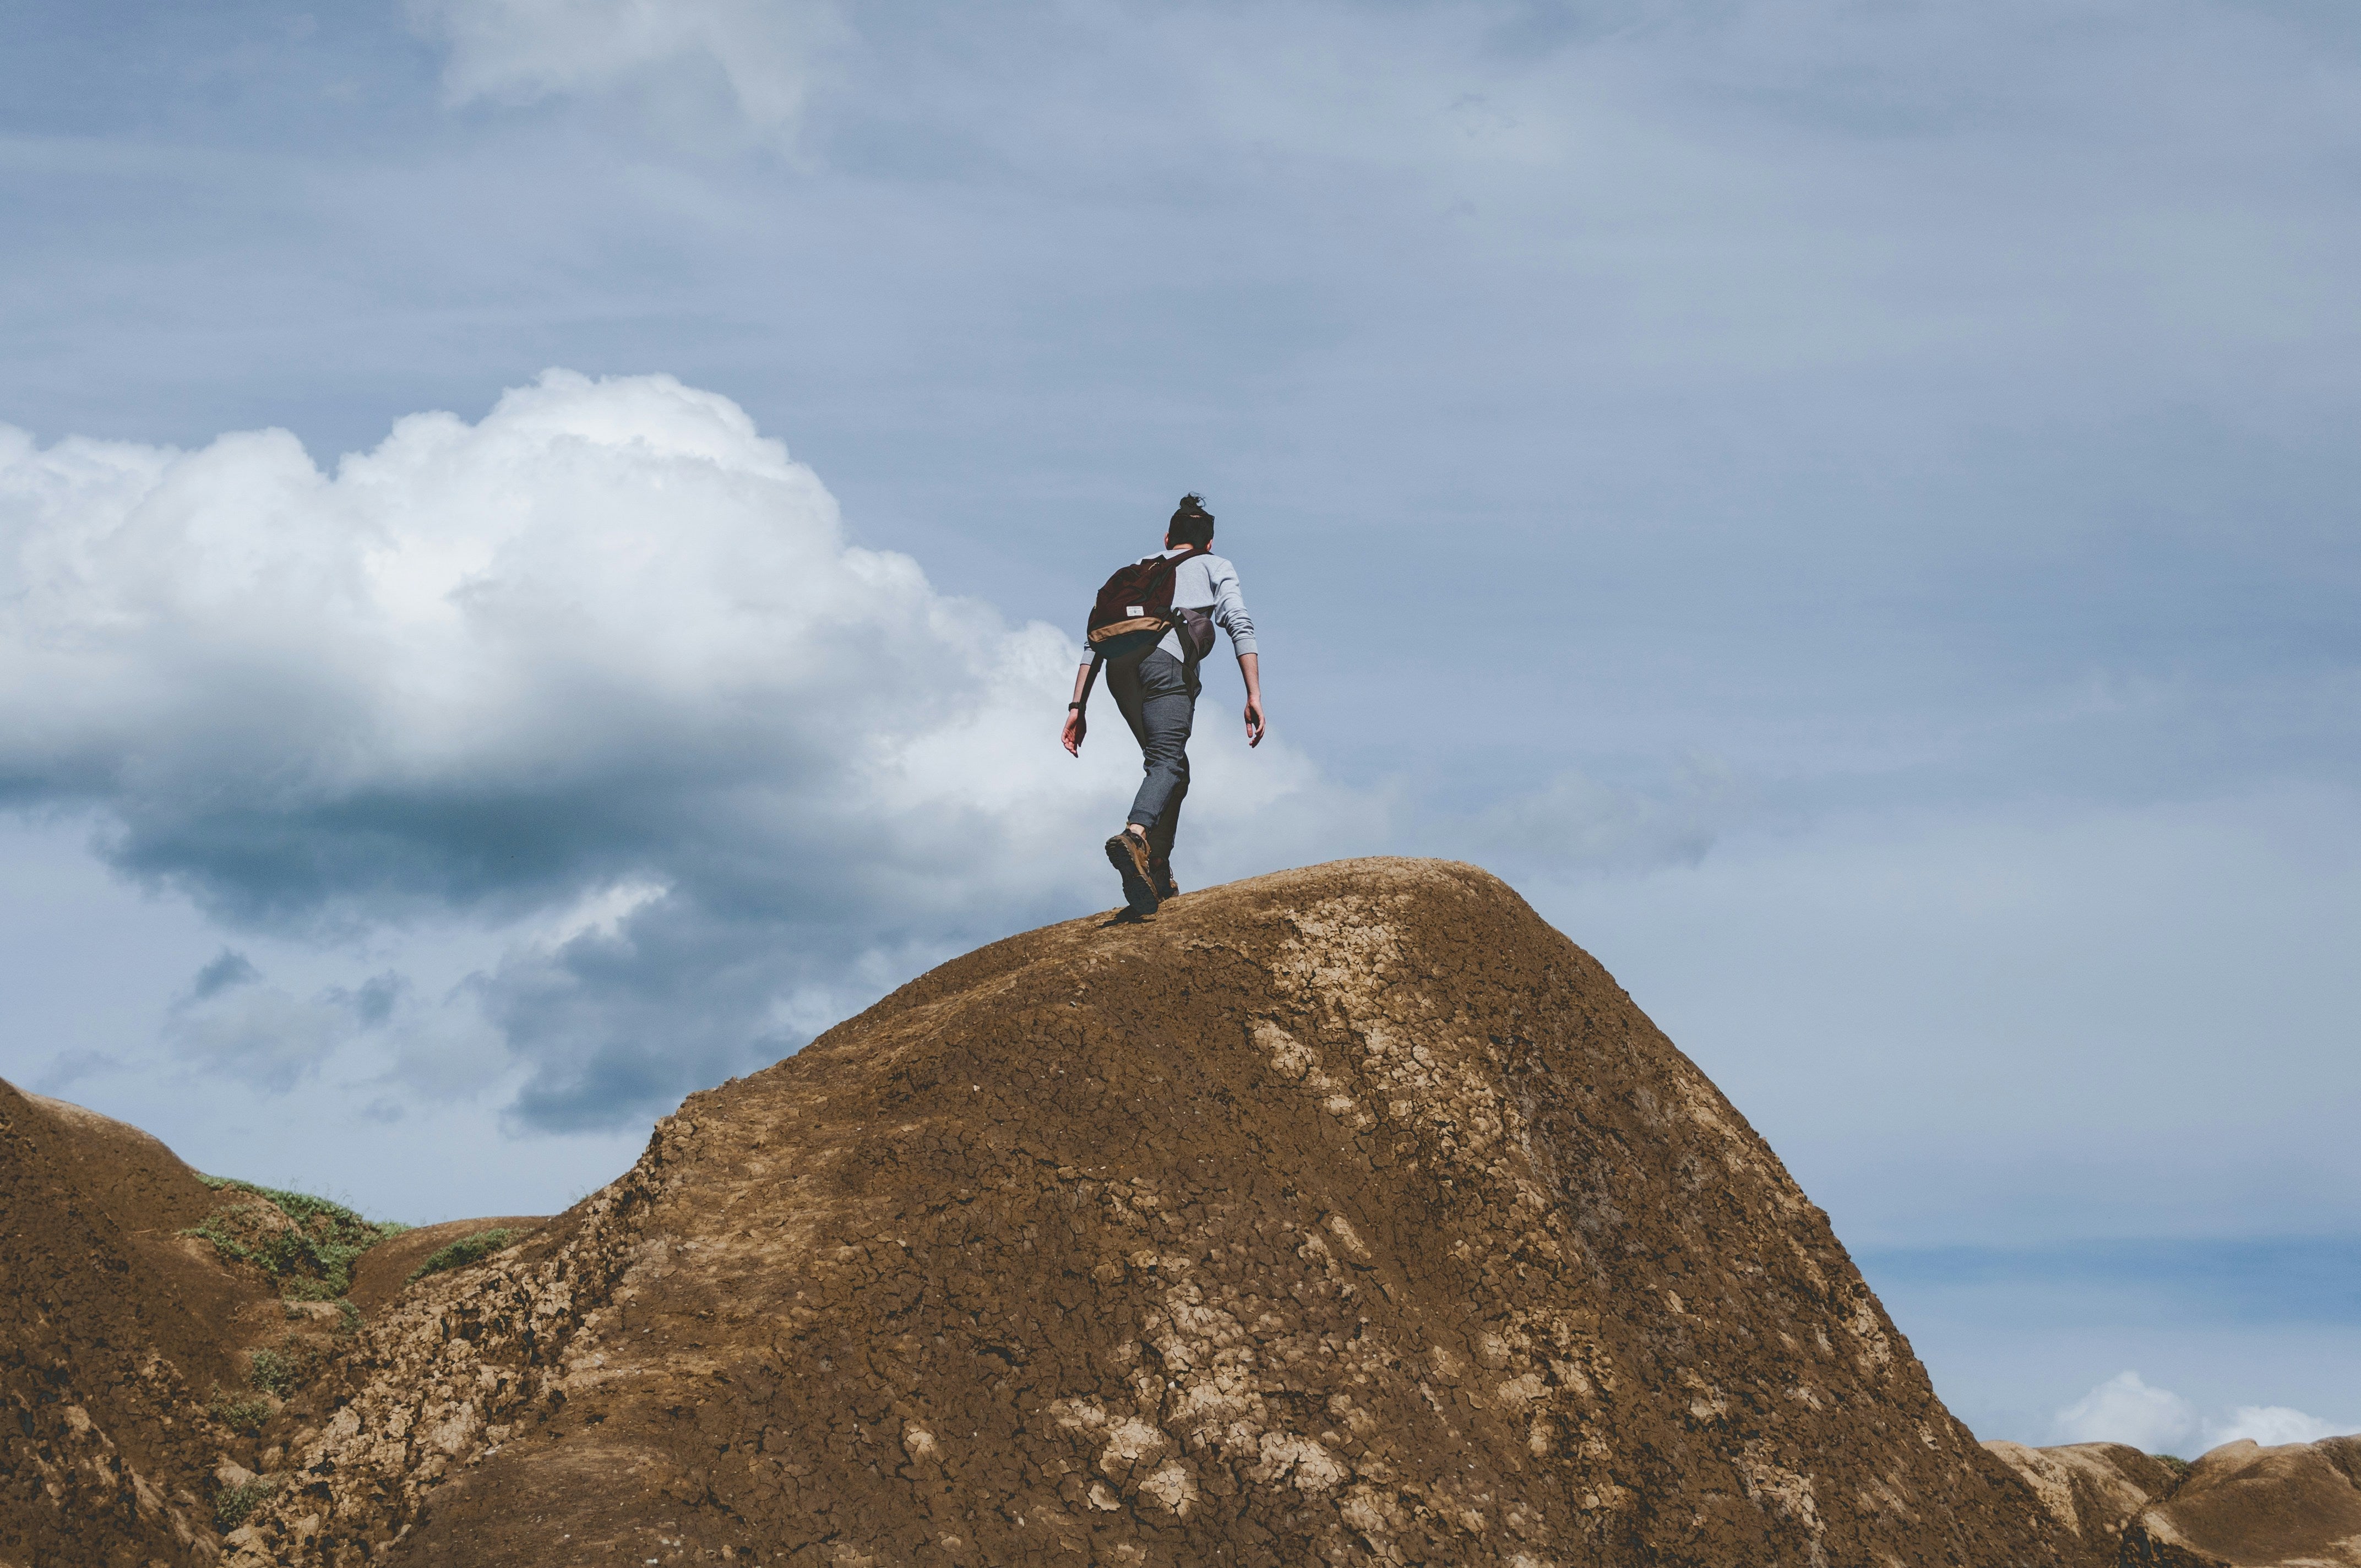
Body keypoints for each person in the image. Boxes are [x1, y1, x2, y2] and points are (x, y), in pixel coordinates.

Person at [1062, 493, 1264, 917]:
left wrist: (1078, 705)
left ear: (1169, 537)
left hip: (1119, 673)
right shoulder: (1215, 565)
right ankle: (1135, 837)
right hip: (1165, 664)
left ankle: (1155, 870)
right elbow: (1238, 622)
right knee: (1167, 763)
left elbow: (1094, 638)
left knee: (1171, 768)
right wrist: (1254, 694)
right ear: (1209, 543)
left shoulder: (1140, 569)